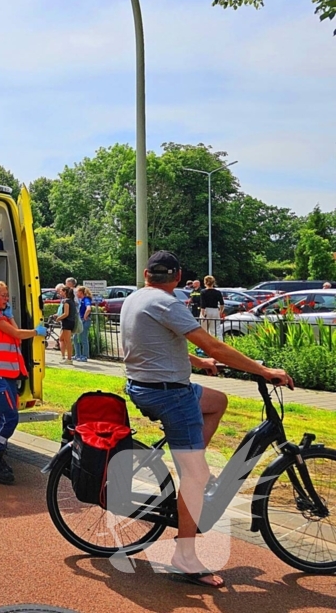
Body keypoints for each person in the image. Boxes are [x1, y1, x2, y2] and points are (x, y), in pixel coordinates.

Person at [121, 251, 293, 589]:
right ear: (179, 276)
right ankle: (184, 556)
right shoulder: (169, 303)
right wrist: (263, 370)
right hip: (169, 394)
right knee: (195, 474)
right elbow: (215, 346)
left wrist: (195, 363)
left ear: (146, 274)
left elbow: (152, 343)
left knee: (217, 401)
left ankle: (195, 473)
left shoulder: (136, 297)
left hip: (146, 385)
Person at [0, 280, 47, 484]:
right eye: (3, 295)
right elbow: (17, 334)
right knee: (9, 418)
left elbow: (15, 337)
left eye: (7, 295)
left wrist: (10, 313)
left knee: (9, 417)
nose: (6, 299)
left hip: (5, 374)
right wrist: (36, 332)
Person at [73, 285, 93, 362]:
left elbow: (88, 309)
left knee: (83, 338)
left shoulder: (86, 299)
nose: (76, 293)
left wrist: (85, 316)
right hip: (80, 321)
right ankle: (77, 355)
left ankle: (84, 356)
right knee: (75, 338)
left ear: (81, 292)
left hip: (84, 321)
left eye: (77, 292)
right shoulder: (81, 300)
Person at [58, 286, 75, 362]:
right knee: (61, 339)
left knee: (68, 341)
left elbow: (66, 313)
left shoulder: (66, 301)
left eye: (61, 291)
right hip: (69, 322)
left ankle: (69, 359)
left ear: (65, 292)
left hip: (67, 322)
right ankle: (63, 357)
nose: (60, 293)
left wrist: (59, 318)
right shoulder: (71, 301)